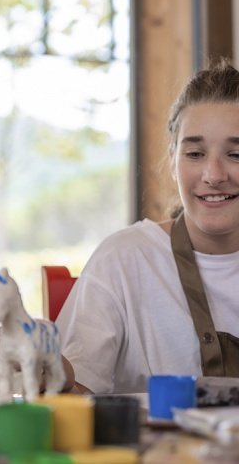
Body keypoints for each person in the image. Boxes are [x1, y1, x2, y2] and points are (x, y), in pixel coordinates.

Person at [56, 58, 239, 394]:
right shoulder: (124, 259)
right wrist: (44, 372)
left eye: (236, 155)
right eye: (195, 154)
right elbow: (72, 395)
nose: (214, 175)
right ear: (172, 160)